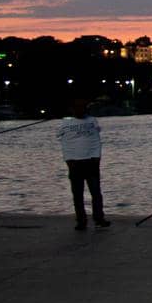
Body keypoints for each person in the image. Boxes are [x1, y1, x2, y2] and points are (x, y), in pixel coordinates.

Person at [57, 98, 110, 231]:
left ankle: (99, 218)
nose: (80, 110)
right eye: (77, 107)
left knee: (96, 192)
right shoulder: (65, 123)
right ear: (72, 109)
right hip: (74, 163)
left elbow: (96, 140)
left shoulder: (92, 121)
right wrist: (68, 160)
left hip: (91, 161)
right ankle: (81, 220)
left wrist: (97, 157)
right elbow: (65, 144)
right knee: (77, 194)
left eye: (82, 107)